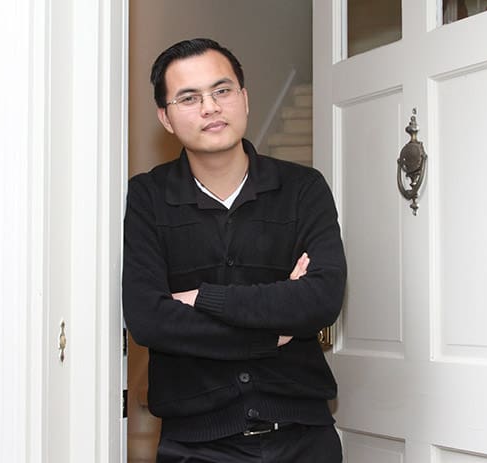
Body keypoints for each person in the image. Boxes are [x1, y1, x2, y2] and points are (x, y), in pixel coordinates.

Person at [122, 38, 347, 462]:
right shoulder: (148, 197)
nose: (210, 107)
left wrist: (204, 299)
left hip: (304, 439)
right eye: (188, 98)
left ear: (243, 98)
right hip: (196, 446)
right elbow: (150, 319)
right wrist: (273, 329)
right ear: (165, 118)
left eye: (222, 91)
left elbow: (321, 299)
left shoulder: (303, 189)